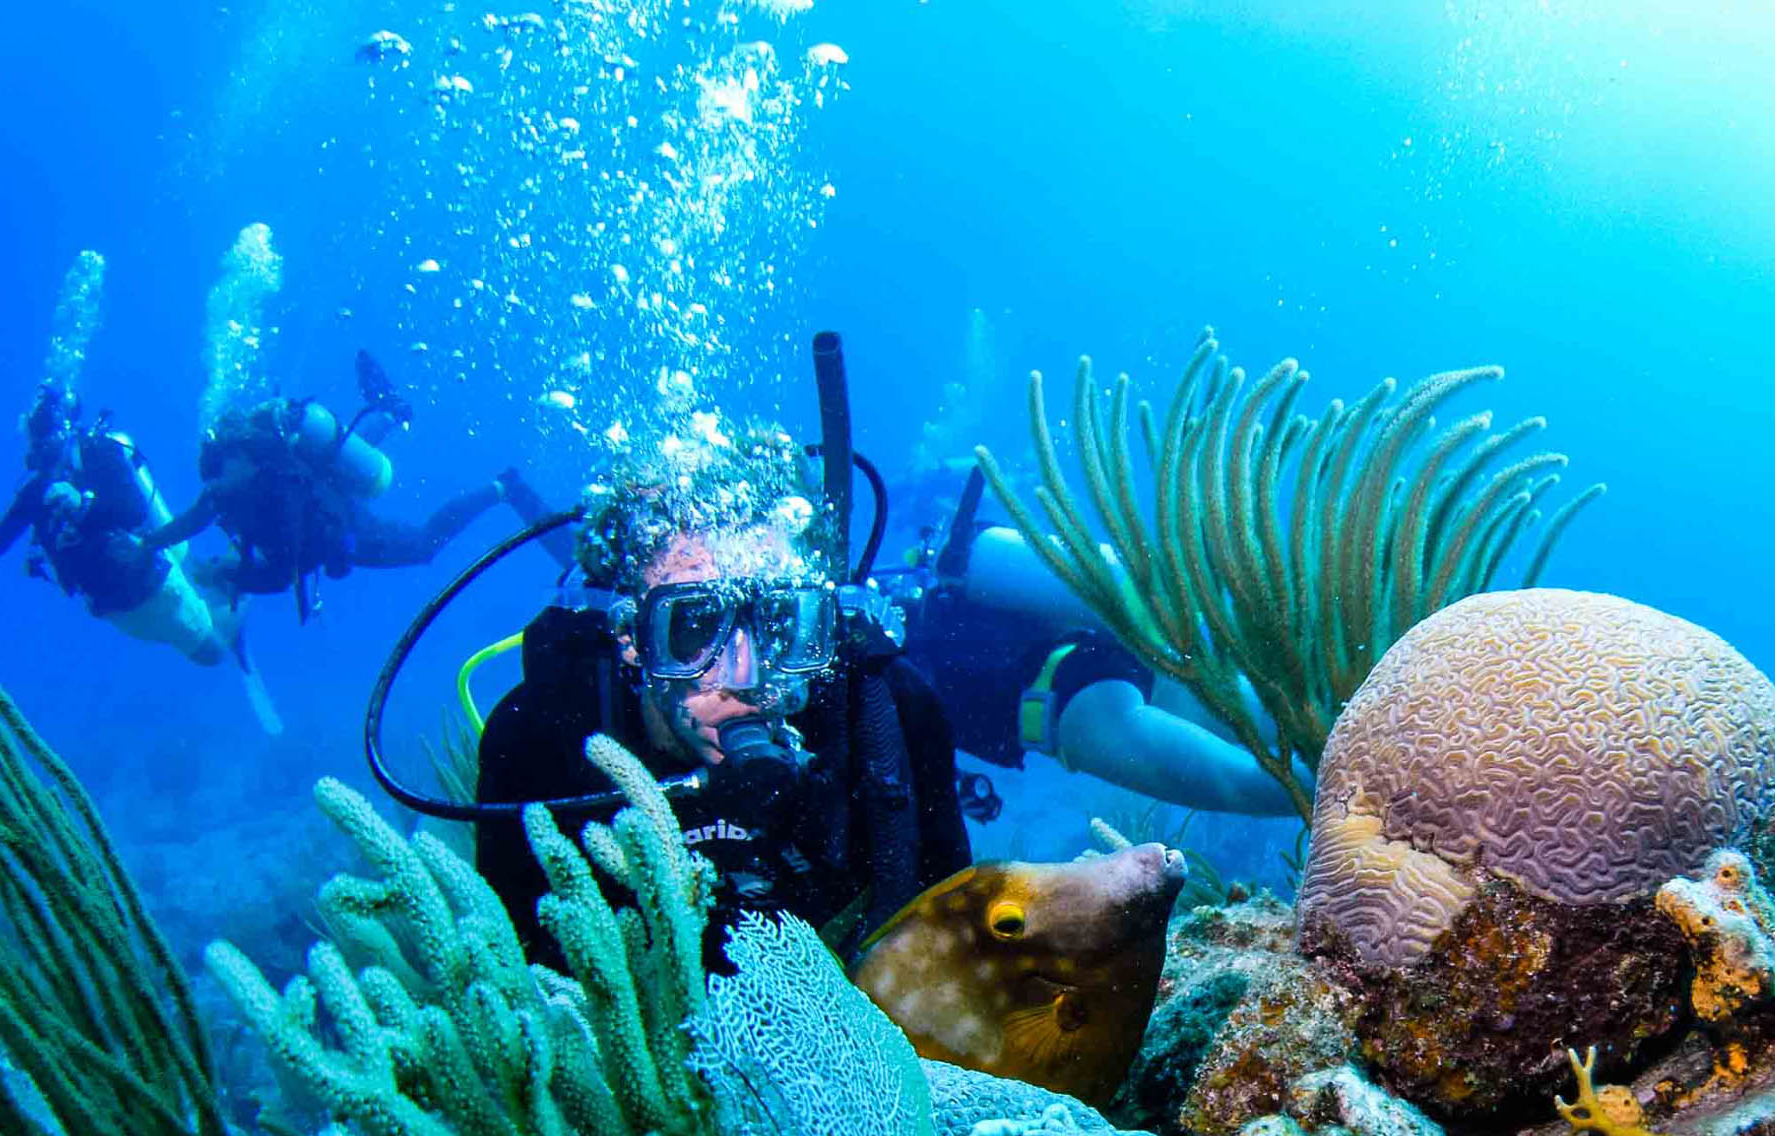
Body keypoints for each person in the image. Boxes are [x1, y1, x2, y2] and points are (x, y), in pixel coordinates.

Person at [474, 423, 971, 969]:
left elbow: (950, 950)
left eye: (780, 622)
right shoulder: (535, 744)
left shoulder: (893, 715)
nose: (745, 672)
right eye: (692, 627)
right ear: (631, 638)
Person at [885, 468, 1300, 817]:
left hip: (1063, 701)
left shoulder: (869, 681)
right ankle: (1358, 732)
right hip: (1115, 645)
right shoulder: (908, 621)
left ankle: (1358, 798)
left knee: (1248, 784)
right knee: (1298, 722)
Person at [156, 352, 552, 620]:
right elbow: (193, 519)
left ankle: (503, 487)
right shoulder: (231, 485)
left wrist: (231, 577)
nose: (216, 487)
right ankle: (391, 409)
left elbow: (286, 571)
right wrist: (147, 544)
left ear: (239, 458)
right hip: (326, 487)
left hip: (343, 526)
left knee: (423, 546)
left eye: (221, 473)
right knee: (337, 461)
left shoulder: (281, 490)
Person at [0, 383, 248, 672]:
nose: (36, 445)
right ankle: (220, 583)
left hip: (153, 586)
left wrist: (82, 504)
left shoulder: (98, 451)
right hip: (113, 607)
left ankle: (242, 587)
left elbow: (133, 509)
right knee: (191, 632)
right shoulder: (36, 490)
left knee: (212, 653)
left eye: (39, 433)